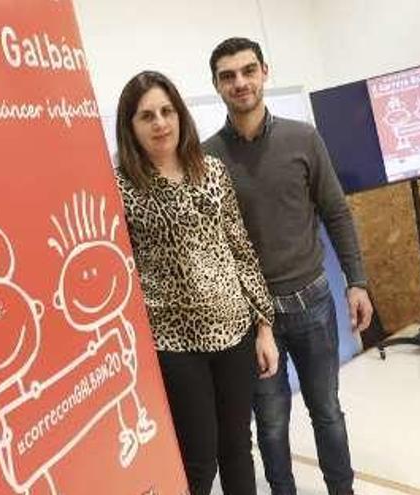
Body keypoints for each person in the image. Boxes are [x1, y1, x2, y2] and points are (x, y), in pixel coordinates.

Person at [203, 37, 374, 495]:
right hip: (253, 319)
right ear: (216, 85)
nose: (240, 82)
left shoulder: (304, 138)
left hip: (314, 302)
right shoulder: (206, 161)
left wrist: (356, 282)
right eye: (228, 75)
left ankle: (343, 489)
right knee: (272, 425)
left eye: (247, 71)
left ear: (264, 72)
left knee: (327, 411)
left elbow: (336, 212)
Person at [114, 70, 279, 495]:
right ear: (130, 127)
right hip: (174, 344)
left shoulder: (212, 172)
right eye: (146, 116)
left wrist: (263, 327)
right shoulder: (120, 189)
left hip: (234, 332)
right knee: (199, 456)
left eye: (167, 111)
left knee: (238, 449)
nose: (160, 123)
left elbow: (240, 249)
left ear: (181, 115)